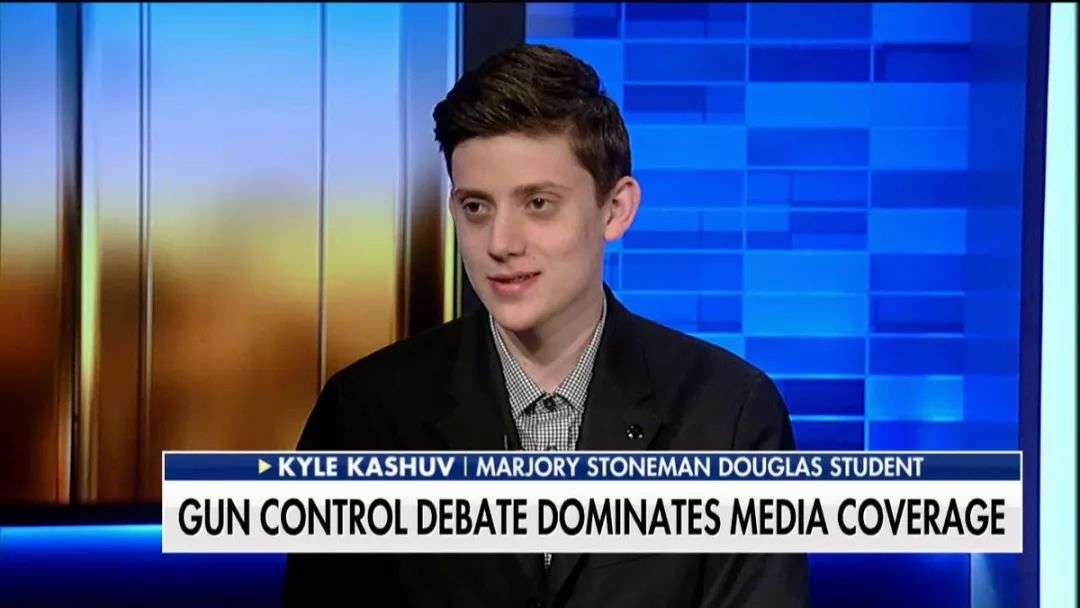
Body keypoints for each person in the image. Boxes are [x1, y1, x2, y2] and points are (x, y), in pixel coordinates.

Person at [283, 43, 807, 608]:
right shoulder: (364, 414)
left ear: (615, 209)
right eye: (477, 207)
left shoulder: (728, 414)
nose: (501, 244)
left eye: (537, 203)